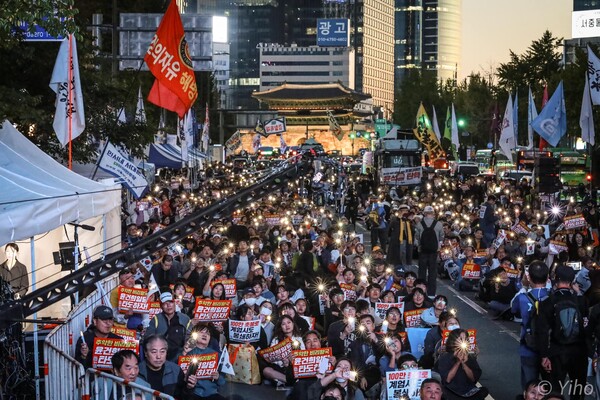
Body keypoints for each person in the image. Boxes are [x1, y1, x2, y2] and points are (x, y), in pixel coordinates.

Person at [535, 265, 588, 400]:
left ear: (555, 279)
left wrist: (544, 356)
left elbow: (542, 332)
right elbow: (587, 326)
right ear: (572, 281)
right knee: (578, 390)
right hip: (579, 352)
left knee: (554, 391)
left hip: (556, 351)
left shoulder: (547, 302)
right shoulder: (580, 301)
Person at [510, 261, 550, 389]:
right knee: (549, 386)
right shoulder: (552, 296)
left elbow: (513, 309)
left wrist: (523, 286)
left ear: (529, 278)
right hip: (549, 347)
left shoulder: (522, 297)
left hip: (528, 347)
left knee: (529, 386)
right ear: (548, 277)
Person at [434, 329, 488, 400]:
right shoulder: (445, 357)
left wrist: (463, 363)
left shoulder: (470, 357)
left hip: (468, 390)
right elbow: (447, 380)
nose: (463, 341)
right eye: (460, 339)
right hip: (451, 391)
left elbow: (473, 379)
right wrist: (458, 362)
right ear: (453, 341)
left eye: (465, 339)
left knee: (484, 391)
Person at [144, 291, 192, 362]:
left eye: (171, 302)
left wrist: (187, 346)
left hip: (180, 354)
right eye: (165, 303)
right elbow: (148, 339)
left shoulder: (185, 319)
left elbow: (191, 337)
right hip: (160, 355)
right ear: (161, 306)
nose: (169, 305)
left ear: (174, 303)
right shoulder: (156, 319)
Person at [186, 322, 227, 400]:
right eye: (201, 332)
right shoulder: (187, 353)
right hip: (193, 393)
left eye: (208, 334)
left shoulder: (216, 355)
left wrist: (218, 377)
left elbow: (222, 381)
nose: (205, 335)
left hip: (212, 394)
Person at [415, 206, 443, 295]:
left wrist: (419, 246)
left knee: (422, 273)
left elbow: (417, 239)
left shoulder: (420, 224)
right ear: (433, 214)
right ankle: (431, 294)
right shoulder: (438, 224)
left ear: (424, 213)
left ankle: (420, 291)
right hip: (434, 252)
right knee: (432, 274)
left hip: (423, 251)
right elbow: (441, 237)